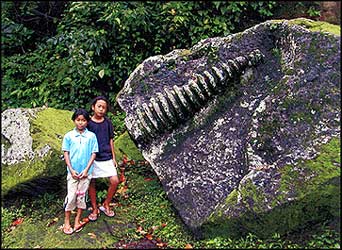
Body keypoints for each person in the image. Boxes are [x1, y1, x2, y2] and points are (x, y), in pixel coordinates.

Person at [61, 108, 99, 235]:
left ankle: (77, 220)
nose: (81, 123)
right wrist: (71, 170)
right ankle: (67, 221)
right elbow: (66, 153)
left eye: (83, 120)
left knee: (81, 197)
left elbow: (94, 153)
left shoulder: (91, 136)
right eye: (78, 120)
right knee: (71, 196)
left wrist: (86, 170)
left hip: (86, 173)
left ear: (87, 121)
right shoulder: (69, 136)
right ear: (74, 121)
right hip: (72, 173)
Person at [87, 96, 120, 221]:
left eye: (104, 107)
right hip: (93, 158)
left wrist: (114, 157)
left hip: (106, 156)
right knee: (91, 182)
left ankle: (106, 203)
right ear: (93, 107)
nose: (101, 109)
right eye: (99, 106)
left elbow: (111, 140)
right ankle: (95, 208)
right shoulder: (88, 123)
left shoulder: (108, 123)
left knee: (115, 180)